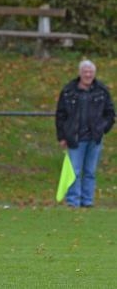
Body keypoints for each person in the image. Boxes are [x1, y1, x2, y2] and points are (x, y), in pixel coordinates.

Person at [55, 60, 114, 208]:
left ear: (94, 74)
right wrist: (62, 136)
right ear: (80, 73)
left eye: (90, 72)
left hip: (94, 139)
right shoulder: (69, 90)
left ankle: (87, 201)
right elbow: (60, 115)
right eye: (85, 72)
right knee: (74, 172)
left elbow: (110, 114)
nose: (88, 74)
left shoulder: (102, 91)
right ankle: (73, 201)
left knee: (90, 172)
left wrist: (102, 129)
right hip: (75, 138)